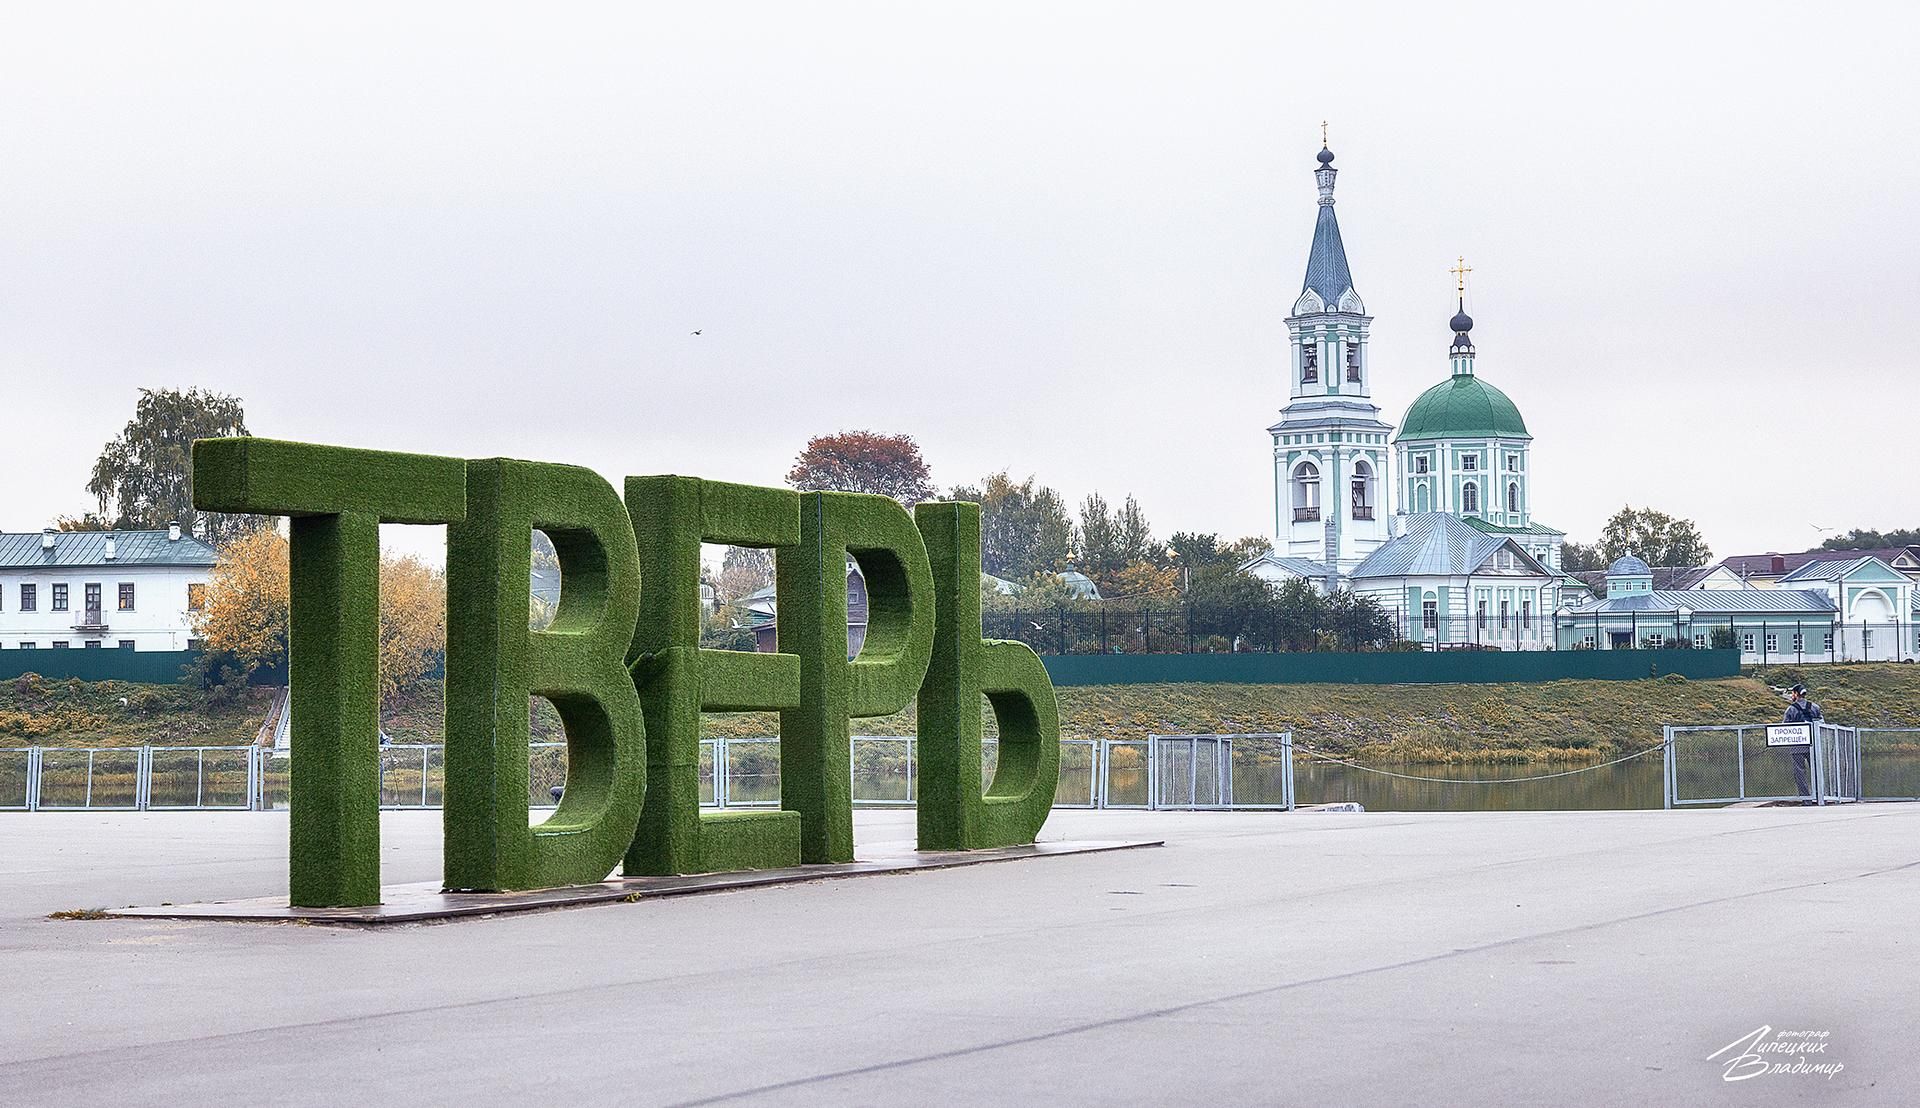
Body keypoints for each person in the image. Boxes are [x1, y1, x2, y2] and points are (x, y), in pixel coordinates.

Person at [1783, 682, 1823, 798]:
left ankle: (1806, 798)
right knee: (1816, 770)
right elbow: (1822, 723)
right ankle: (1819, 796)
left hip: (1797, 745)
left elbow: (1784, 727)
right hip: (1813, 744)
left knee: (1799, 772)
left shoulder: (1791, 709)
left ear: (1796, 694)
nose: (1792, 696)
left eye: (1792, 693)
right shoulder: (1815, 707)